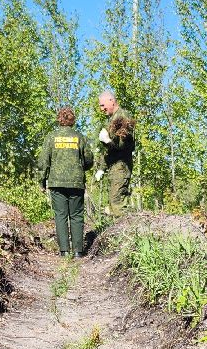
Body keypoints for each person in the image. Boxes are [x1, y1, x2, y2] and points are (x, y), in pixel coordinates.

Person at [37, 106, 95, 256]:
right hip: (76, 182)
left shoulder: (51, 137)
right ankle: (78, 252)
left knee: (60, 215)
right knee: (76, 215)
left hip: (56, 183)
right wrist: (81, 168)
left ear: (59, 119)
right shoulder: (79, 137)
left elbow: (43, 161)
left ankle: (64, 251)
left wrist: (42, 181)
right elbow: (89, 159)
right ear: (73, 120)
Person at [94, 90, 135, 215]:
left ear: (111, 101)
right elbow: (110, 150)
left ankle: (127, 227)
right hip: (114, 168)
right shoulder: (112, 119)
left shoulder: (122, 117)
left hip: (121, 166)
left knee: (118, 206)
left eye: (103, 105)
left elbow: (124, 145)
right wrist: (102, 168)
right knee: (113, 205)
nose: (101, 109)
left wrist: (107, 141)